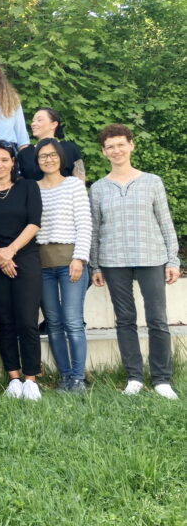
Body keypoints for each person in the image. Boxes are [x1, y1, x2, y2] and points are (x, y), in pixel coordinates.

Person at [90, 124, 180, 400]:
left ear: (131, 145)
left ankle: (162, 379)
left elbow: (165, 222)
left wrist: (172, 259)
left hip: (151, 257)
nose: (116, 150)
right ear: (104, 152)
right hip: (113, 260)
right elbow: (95, 229)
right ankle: (134, 377)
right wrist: (95, 265)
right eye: (110, 147)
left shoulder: (152, 181)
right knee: (125, 319)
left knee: (157, 319)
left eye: (121, 144)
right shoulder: (98, 188)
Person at [0, 141, 43, 401]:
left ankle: (31, 379)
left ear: (13, 162)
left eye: (4, 159)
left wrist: (11, 251)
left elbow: (34, 223)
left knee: (27, 321)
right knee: (4, 321)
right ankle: (14, 378)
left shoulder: (28, 187)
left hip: (25, 258)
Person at [35, 138, 91, 393]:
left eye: (52, 155)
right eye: (43, 156)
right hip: (42, 265)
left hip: (70, 261)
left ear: (60, 158)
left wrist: (79, 258)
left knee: (73, 321)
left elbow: (85, 224)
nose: (48, 159)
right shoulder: (32, 188)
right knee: (54, 323)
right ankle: (65, 376)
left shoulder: (73, 185)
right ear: (37, 161)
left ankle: (78, 378)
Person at [18, 108, 86, 181]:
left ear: (53, 124)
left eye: (39, 120)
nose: (33, 124)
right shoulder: (25, 153)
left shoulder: (69, 148)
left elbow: (80, 177)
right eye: (33, 121)